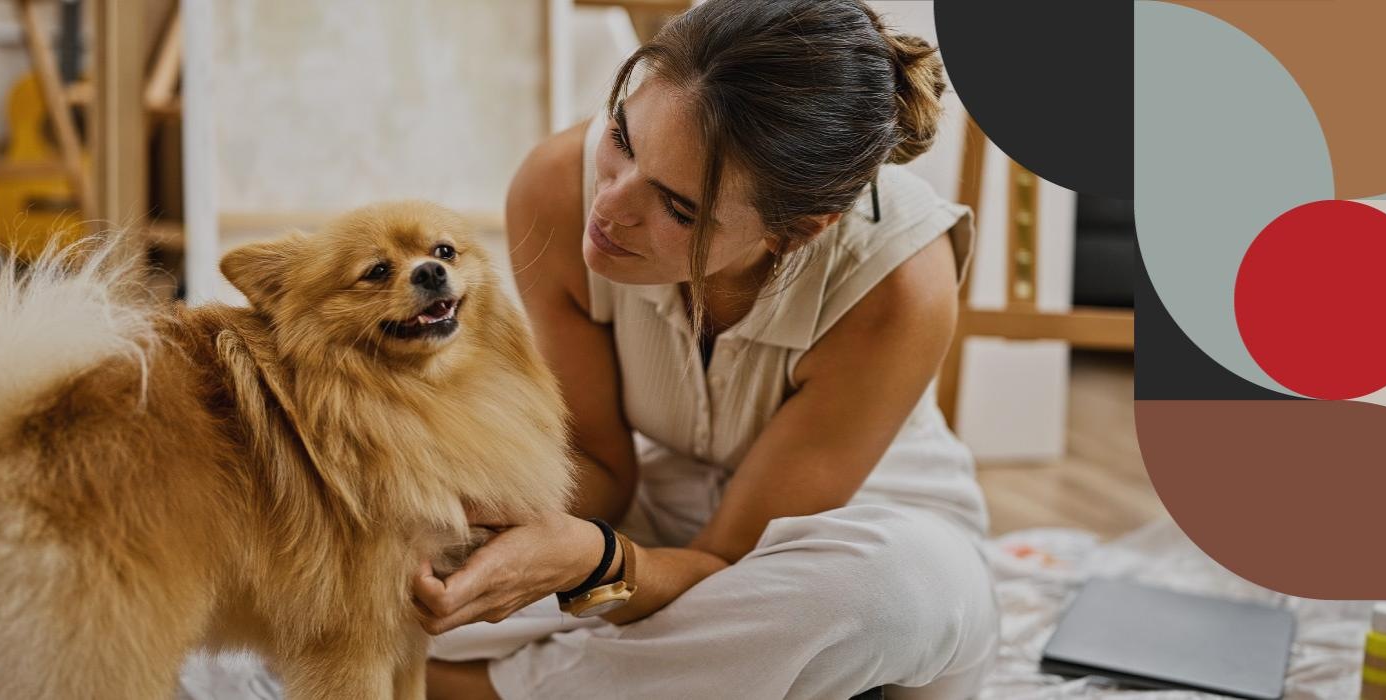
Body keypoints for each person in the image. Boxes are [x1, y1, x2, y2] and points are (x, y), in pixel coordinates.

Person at [413, 1, 998, 697]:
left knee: (886, 599)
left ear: (796, 232)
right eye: (624, 139)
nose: (611, 207)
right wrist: (465, 516)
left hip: (843, 536)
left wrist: (596, 566)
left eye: (679, 208)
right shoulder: (555, 189)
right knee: (396, 571)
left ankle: (473, 688)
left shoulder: (900, 281)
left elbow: (727, 557)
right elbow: (600, 467)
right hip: (657, 510)